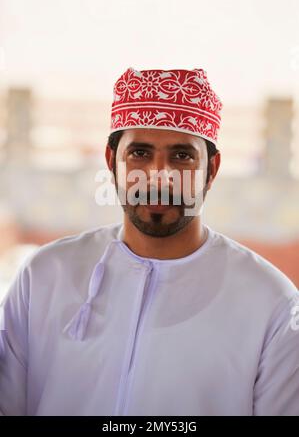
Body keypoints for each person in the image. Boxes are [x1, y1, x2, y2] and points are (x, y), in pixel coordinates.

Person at [0, 68, 298, 416]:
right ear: (112, 163)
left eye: (182, 156)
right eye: (139, 153)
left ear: (211, 169)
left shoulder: (270, 303)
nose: (159, 175)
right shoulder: (44, 276)